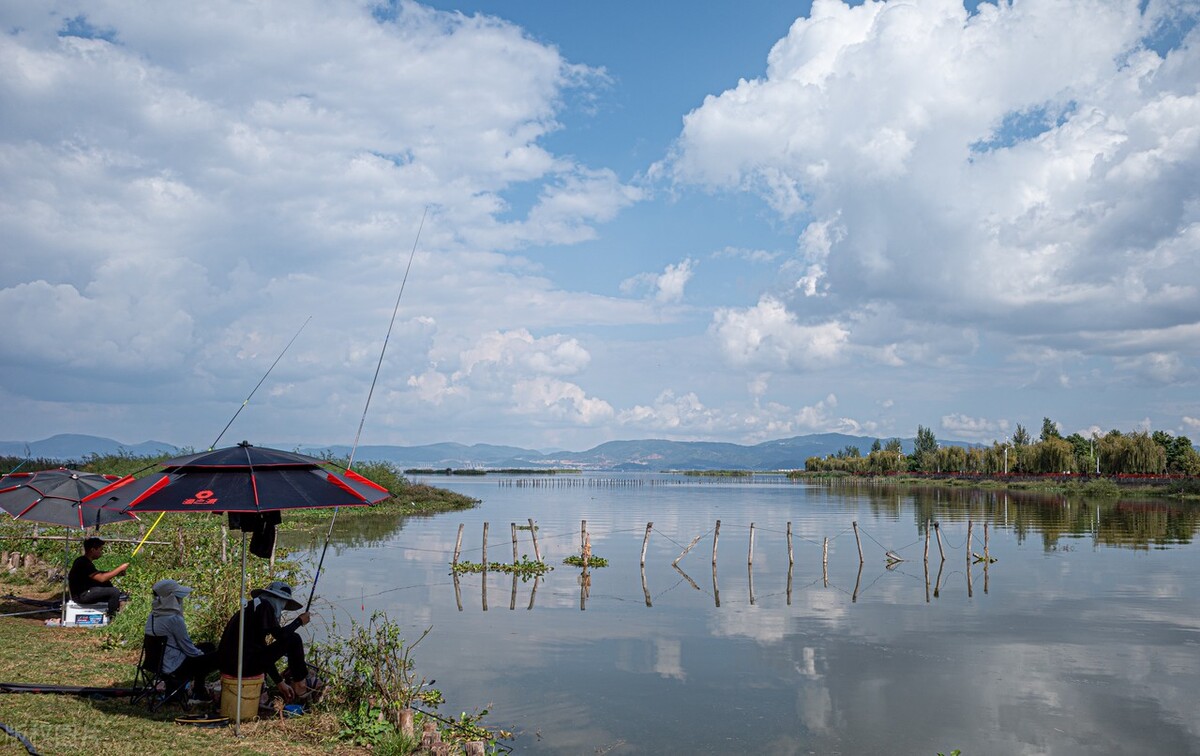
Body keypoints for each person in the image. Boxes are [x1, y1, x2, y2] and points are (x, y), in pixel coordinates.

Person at [217, 581, 312, 702]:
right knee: (294, 639)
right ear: (277, 599)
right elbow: (281, 635)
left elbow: (262, 655)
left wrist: (279, 682)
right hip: (241, 666)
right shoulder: (264, 606)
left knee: (289, 639)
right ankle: (300, 685)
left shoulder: (253, 608)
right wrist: (299, 621)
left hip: (233, 666)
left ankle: (295, 682)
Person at [145, 579, 218, 704]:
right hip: (174, 667)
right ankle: (198, 692)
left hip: (155, 664)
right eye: (177, 597)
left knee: (207, 646)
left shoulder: (153, 616)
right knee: (214, 656)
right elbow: (189, 649)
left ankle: (196, 691)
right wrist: (202, 656)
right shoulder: (173, 619)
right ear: (171, 599)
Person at [67, 536, 128, 616]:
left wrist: (117, 573)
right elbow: (102, 578)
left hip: (84, 592)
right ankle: (112, 616)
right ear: (92, 550)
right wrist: (120, 568)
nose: (101, 552)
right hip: (82, 596)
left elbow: (98, 574)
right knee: (114, 591)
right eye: (100, 549)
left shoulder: (83, 561)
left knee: (107, 584)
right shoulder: (83, 563)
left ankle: (114, 605)